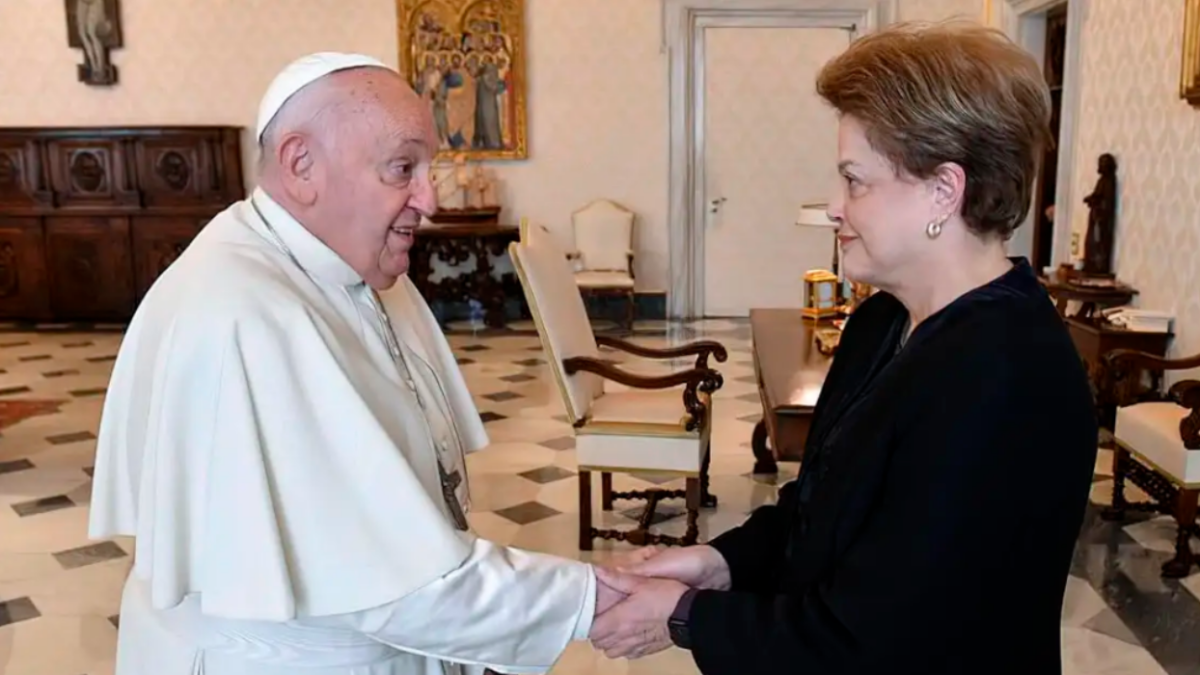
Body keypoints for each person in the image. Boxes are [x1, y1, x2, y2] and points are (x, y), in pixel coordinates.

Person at [87, 52, 622, 675]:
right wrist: (595, 601)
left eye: (429, 170)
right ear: (301, 164)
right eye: (403, 169)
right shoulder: (244, 312)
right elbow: (386, 585)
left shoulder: (361, 271)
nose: (430, 199)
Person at [589, 22, 1098, 674]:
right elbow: (818, 510)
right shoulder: (882, 323)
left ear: (944, 190)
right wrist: (715, 563)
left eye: (855, 181)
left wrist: (683, 615)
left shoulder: (1004, 376)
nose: (833, 205)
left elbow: (877, 640)